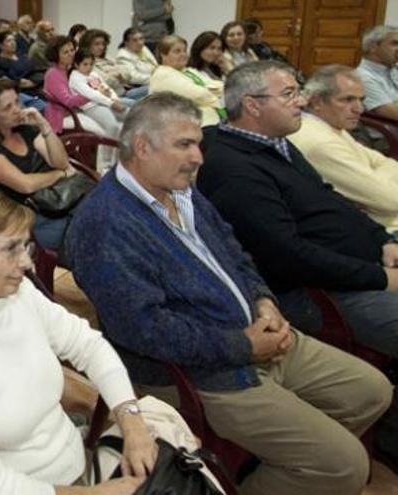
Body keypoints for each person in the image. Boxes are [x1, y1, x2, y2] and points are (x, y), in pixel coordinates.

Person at [66, 91, 393, 495]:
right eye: (184, 145)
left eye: (198, 145)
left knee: (371, 391)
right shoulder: (103, 224)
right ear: (141, 147)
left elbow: (234, 253)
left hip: (258, 334)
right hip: (201, 371)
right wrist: (243, 346)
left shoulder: (183, 191)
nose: (198, 157)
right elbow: (144, 330)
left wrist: (263, 300)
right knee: (346, 466)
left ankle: (290, 464)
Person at [0, 188, 153, 495]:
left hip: (72, 463)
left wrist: (132, 422)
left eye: (26, 246)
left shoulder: (18, 294)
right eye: (11, 249)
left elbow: (89, 345)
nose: (27, 263)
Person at [197, 59, 398, 361]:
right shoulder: (233, 169)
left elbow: (328, 197)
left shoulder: (276, 143)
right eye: (289, 94)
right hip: (323, 292)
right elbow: (287, 255)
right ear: (252, 105)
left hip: (361, 267)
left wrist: (382, 238)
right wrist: (380, 277)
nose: (301, 102)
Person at [289, 64, 398, 233]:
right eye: (347, 100)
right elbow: (391, 200)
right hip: (371, 234)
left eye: (361, 100)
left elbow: (384, 162)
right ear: (317, 101)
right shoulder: (320, 141)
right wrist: (376, 175)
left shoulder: (331, 126)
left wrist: (376, 176)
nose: (359, 109)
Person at [0, 79, 73, 250]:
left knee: (95, 216)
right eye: (7, 107)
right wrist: (60, 175)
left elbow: (61, 162)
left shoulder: (24, 130)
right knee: (87, 230)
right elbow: (25, 185)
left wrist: (44, 125)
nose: (17, 110)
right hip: (21, 222)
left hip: (50, 203)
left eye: (17, 102)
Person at [43, 36, 111, 138]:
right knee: (104, 131)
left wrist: (100, 88)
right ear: (56, 56)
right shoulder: (53, 74)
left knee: (111, 119)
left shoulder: (71, 67)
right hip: (63, 117)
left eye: (72, 50)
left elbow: (91, 81)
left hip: (80, 109)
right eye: (65, 52)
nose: (71, 54)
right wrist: (95, 94)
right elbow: (68, 102)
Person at [149, 35, 224, 127]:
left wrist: (213, 91)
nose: (183, 55)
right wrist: (216, 98)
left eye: (184, 51)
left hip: (210, 121)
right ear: (163, 55)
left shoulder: (187, 70)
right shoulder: (162, 74)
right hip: (190, 126)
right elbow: (199, 95)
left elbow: (218, 86)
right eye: (177, 51)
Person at [356, 25, 398, 120]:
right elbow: (392, 112)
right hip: (388, 131)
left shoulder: (393, 69)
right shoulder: (363, 77)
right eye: (395, 43)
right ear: (373, 47)